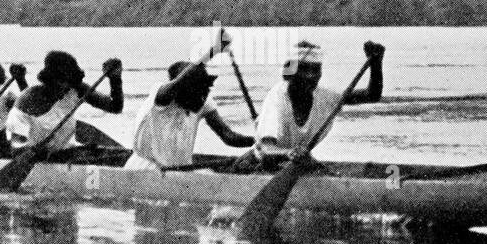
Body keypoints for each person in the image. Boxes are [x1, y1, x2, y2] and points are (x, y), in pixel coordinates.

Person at [125, 31, 253, 171]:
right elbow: (180, 81)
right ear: (182, 91)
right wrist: (214, 51)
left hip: (181, 171)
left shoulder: (203, 100)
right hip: (146, 168)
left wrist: (257, 141)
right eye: (198, 93)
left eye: (206, 92)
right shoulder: (161, 97)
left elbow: (228, 136)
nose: (203, 99)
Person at [250, 40, 385, 166]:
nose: (311, 76)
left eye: (315, 70)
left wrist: (376, 64)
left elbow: (371, 95)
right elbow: (266, 149)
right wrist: (289, 154)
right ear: (289, 72)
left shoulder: (325, 96)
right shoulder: (277, 97)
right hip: (263, 164)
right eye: (304, 69)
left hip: (299, 164)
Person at [5, 51, 124, 157]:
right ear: (49, 80)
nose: (66, 88)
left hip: (66, 153)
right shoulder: (27, 99)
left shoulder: (76, 88)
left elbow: (115, 107)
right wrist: (32, 151)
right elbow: (15, 148)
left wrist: (115, 79)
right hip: (37, 158)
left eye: (70, 82)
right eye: (61, 82)